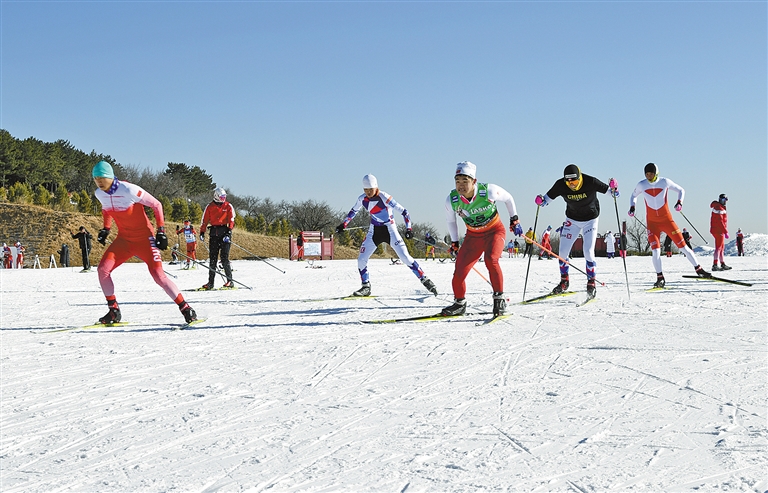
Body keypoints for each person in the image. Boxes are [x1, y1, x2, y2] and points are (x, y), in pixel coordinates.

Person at [91, 160, 196, 324]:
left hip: (145, 240)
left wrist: (161, 231)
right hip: (124, 240)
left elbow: (156, 204)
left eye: (101, 178)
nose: (98, 182)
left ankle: (186, 308)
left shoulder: (129, 189)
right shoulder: (99, 193)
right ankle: (113, 311)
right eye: (95, 179)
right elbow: (106, 209)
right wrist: (106, 228)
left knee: (158, 276)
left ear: (110, 177)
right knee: (103, 270)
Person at [336, 174, 437, 297]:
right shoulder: (362, 199)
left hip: (390, 230)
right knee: (361, 259)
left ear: (376, 187)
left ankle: (425, 280)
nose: (368, 192)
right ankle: (365, 286)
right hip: (374, 231)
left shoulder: (384, 197)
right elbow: (354, 211)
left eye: (370, 189)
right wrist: (344, 224)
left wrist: (408, 229)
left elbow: (404, 212)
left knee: (405, 257)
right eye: (365, 190)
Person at [442, 161, 522, 317]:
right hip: (473, 236)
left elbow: (508, 198)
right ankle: (459, 303)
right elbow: (451, 221)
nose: (461, 186)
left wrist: (514, 219)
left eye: (465, 181)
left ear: (474, 181)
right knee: (459, 270)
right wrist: (455, 242)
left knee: (491, 259)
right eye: (457, 181)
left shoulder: (488, 191)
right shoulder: (451, 199)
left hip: (494, 232)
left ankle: (499, 300)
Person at [535, 164, 618, 298]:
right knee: (562, 252)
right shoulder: (560, 185)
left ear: (579, 177)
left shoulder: (591, 181)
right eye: (568, 181)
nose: (571, 184)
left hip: (591, 219)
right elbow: (546, 200)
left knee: (588, 251)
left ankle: (591, 282)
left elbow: (613, 193)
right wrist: (541, 201)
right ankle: (564, 282)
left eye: (574, 180)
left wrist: (614, 188)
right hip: (572, 219)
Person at [629, 162, 710, 288]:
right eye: (647, 174)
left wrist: (679, 202)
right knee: (655, 251)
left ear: (656, 173)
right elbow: (633, 195)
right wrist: (632, 207)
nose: (649, 176)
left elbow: (681, 190)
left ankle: (699, 270)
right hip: (652, 224)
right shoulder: (642, 184)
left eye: (651, 174)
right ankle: (660, 277)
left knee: (683, 247)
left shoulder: (664, 182)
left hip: (667, 221)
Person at [200, 187, 236, 289]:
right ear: (216, 196)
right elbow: (204, 220)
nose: (223, 199)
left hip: (225, 234)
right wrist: (202, 232)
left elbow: (232, 220)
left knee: (224, 258)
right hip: (214, 234)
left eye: (224, 197)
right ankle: (210, 283)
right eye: (221, 197)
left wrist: (228, 232)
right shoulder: (209, 207)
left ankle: (230, 281)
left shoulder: (228, 206)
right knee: (213, 259)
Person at [710, 193, 731, 271]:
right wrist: (725, 231)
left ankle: (722, 263)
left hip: (718, 229)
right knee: (718, 248)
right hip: (718, 230)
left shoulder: (721, 207)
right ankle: (715, 264)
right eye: (723, 200)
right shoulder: (719, 208)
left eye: (726, 200)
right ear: (720, 200)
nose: (725, 201)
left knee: (721, 247)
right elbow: (720, 221)